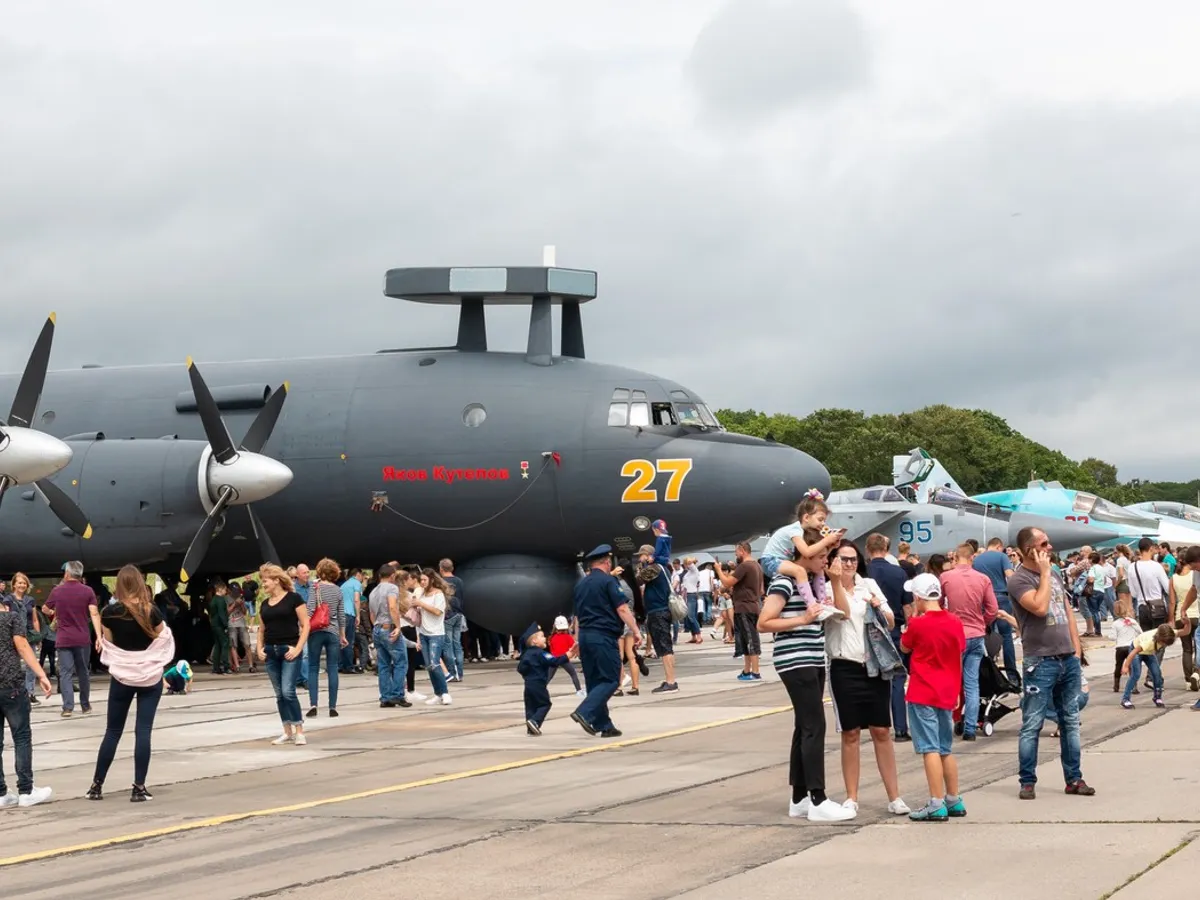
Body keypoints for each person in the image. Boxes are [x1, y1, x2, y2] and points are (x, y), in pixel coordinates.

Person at [759, 536, 854, 823]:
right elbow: (763, 622)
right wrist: (802, 619)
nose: (826, 559)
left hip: (812, 658)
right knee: (814, 726)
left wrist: (834, 582)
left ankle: (799, 797)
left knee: (804, 726)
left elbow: (844, 614)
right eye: (822, 555)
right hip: (795, 659)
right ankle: (817, 798)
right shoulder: (784, 582)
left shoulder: (814, 584)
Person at [1007, 527, 1093, 800]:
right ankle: (1028, 780)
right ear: (1029, 549)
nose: (1050, 547)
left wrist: (1076, 649)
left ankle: (1074, 778)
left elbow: (1065, 610)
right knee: (1032, 722)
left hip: (1066, 657)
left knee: (1070, 720)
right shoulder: (1019, 580)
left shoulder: (1054, 573)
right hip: (1040, 660)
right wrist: (1043, 574)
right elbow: (1040, 608)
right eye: (1044, 543)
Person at [825, 540, 909, 816]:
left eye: (852, 559)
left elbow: (891, 620)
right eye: (843, 559)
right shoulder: (825, 588)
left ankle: (894, 796)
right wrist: (836, 582)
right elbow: (841, 614)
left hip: (873, 665)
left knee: (881, 730)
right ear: (833, 561)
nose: (848, 564)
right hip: (843, 665)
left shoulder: (869, 584)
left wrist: (878, 607)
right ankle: (851, 796)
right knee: (850, 733)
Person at [87, 565, 174, 803]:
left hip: (122, 677)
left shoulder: (109, 612)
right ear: (139, 582)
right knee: (143, 731)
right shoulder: (152, 611)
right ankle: (139, 787)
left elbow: (110, 643)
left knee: (113, 731)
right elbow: (162, 639)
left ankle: (96, 785)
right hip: (149, 677)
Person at [900, 573, 967, 822]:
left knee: (929, 748)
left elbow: (905, 646)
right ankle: (953, 798)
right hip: (947, 690)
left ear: (918, 597)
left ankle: (935, 802)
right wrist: (959, 690)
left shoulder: (918, 624)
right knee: (945, 748)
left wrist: (912, 621)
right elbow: (959, 654)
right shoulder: (954, 621)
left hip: (923, 690)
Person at [941, 544, 1014, 741]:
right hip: (976, 634)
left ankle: (949, 724)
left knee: (951, 681)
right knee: (972, 683)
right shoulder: (983, 579)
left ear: (956, 557)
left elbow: (938, 605)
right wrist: (982, 622)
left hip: (955, 634)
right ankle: (971, 728)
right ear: (972, 558)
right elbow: (992, 609)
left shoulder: (946, 577)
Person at [571, 545, 642, 738]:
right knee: (612, 679)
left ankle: (604, 724)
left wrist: (577, 640)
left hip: (586, 636)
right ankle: (585, 711)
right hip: (603, 635)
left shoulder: (581, 584)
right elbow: (622, 609)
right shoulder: (608, 581)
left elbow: (577, 617)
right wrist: (636, 631)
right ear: (606, 562)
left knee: (595, 681)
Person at [0, 590, 53, 808]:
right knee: (21, 736)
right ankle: (26, 789)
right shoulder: (11, 617)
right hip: (10, 683)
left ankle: (1, 793)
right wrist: (41, 674)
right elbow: (22, 646)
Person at [865, 533, 913, 743]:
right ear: (886, 549)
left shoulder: (864, 573)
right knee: (897, 679)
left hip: (867, 632)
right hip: (893, 629)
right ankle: (901, 729)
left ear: (868, 549)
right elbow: (907, 606)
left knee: (872, 679)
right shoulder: (898, 572)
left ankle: (878, 725)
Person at [256, 564, 311, 746]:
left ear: (276, 580)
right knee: (279, 694)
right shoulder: (264, 604)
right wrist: (259, 649)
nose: (263, 585)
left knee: (288, 691)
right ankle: (287, 731)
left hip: (289, 650)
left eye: (265, 581)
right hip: (271, 652)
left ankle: (299, 730)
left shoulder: (294, 599)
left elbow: (306, 624)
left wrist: (298, 648)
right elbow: (261, 629)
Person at [44, 560, 102, 718]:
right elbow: (94, 613)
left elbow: (45, 608)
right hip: (83, 638)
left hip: (64, 638)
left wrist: (53, 613)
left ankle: (68, 707)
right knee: (83, 672)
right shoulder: (88, 591)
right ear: (80, 574)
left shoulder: (57, 591)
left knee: (65, 673)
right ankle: (85, 705)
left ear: (67, 574)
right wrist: (99, 637)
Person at [759, 490, 845, 583]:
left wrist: (831, 546)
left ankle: (821, 597)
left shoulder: (803, 532)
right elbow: (807, 553)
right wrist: (827, 540)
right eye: (820, 519)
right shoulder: (795, 531)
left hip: (784, 561)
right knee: (800, 571)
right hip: (771, 561)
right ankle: (810, 598)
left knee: (818, 571)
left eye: (824, 520)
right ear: (806, 518)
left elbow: (816, 557)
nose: (823, 524)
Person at [714, 541, 765, 681]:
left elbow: (727, 582)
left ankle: (755, 672)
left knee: (750, 639)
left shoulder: (745, 566)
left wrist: (718, 569)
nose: (735, 554)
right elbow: (760, 590)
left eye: (736, 551)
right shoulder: (757, 566)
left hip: (744, 607)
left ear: (742, 550)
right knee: (745, 639)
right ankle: (747, 670)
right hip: (753, 606)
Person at [635, 544, 680, 694]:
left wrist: (641, 567)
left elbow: (638, 580)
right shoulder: (662, 568)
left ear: (648, 555)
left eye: (641, 556)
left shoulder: (654, 568)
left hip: (658, 611)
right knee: (664, 647)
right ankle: (669, 679)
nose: (639, 559)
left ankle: (671, 681)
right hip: (660, 610)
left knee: (665, 648)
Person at [305, 558, 346, 719]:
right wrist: (342, 634)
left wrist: (304, 627)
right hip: (333, 632)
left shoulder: (315, 588)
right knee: (333, 668)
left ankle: (314, 704)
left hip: (316, 631)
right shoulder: (338, 590)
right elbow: (341, 614)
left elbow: (310, 609)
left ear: (320, 571)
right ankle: (332, 706)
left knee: (313, 667)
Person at [973, 537, 1018, 679]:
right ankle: (1012, 676)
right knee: (1006, 636)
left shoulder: (977, 560)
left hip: (984, 600)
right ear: (999, 546)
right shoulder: (1002, 556)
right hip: (1001, 597)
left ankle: (991, 674)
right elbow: (1010, 576)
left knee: (987, 635)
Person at [368, 565, 410, 708]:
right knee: (401, 662)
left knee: (384, 665)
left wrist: (377, 626)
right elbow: (392, 606)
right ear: (392, 576)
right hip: (388, 627)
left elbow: (372, 614)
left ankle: (385, 697)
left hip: (378, 628)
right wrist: (397, 626)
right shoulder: (392, 588)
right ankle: (397, 694)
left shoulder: (373, 591)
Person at [518, 622, 571, 735]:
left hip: (528, 684)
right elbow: (554, 661)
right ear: (534, 641)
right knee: (545, 704)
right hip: (538, 684)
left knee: (530, 706)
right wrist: (568, 655)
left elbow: (520, 668)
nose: (545, 638)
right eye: (542, 636)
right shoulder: (540, 653)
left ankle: (530, 728)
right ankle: (535, 721)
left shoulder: (526, 655)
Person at [414, 570, 453, 706]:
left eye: (425, 580)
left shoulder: (438, 594)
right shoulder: (420, 593)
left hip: (436, 633)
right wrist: (418, 636)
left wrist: (421, 604)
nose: (422, 582)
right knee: (429, 666)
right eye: (421, 580)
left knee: (435, 663)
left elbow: (437, 611)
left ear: (431, 579)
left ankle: (445, 692)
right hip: (423, 633)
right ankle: (438, 693)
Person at [1120, 623, 1180, 709]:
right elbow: (1133, 652)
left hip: (1148, 652)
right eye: (1164, 643)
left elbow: (1184, 632)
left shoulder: (1168, 634)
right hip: (1136, 650)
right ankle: (1125, 699)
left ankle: (1157, 697)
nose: (1164, 645)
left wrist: (1187, 623)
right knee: (1136, 674)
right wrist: (1126, 666)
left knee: (1157, 673)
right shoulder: (1149, 642)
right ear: (1160, 639)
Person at [439, 560, 466, 683]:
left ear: (441, 569)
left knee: (448, 645)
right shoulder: (459, 581)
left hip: (447, 615)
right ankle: (460, 672)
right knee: (457, 644)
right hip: (459, 614)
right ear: (452, 568)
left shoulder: (441, 582)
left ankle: (452, 673)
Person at [339, 567, 363, 674]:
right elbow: (356, 600)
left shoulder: (343, 585)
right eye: (362, 575)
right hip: (349, 614)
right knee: (349, 641)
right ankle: (348, 667)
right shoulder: (356, 583)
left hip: (340, 615)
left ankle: (340, 665)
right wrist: (358, 616)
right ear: (358, 574)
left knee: (341, 641)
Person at [208, 581, 231, 675]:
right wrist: (226, 625)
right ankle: (226, 666)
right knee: (225, 644)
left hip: (214, 624)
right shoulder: (221, 600)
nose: (226, 591)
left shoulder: (213, 600)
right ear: (220, 589)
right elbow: (222, 614)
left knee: (217, 645)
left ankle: (216, 667)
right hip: (220, 625)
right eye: (225, 589)